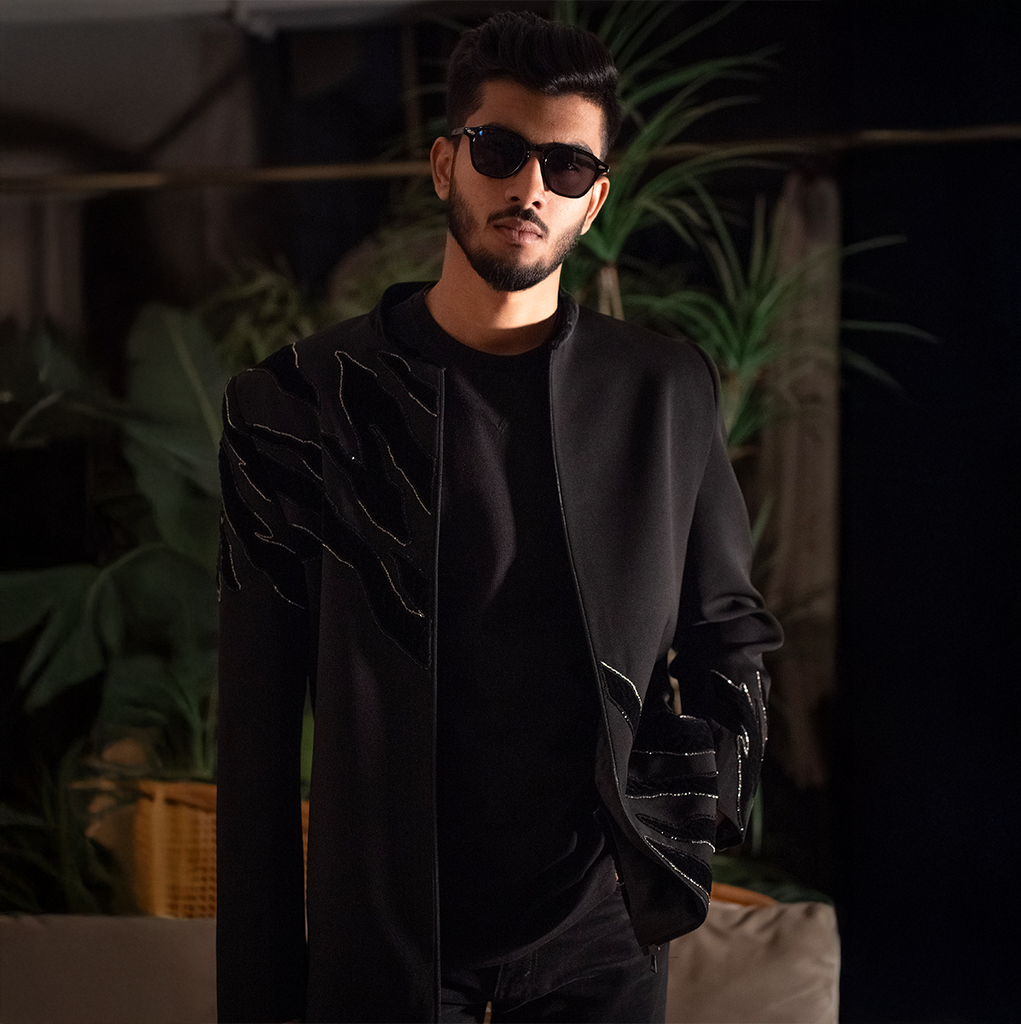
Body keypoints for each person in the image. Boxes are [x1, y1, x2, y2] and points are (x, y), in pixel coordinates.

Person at [216, 11, 782, 1024]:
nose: (530, 186)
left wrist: (692, 814)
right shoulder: (297, 403)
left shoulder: (663, 393)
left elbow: (728, 627)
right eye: (500, 150)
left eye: (567, 166)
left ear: (594, 199)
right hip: (392, 934)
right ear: (446, 164)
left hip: (599, 937)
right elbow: (254, 732)